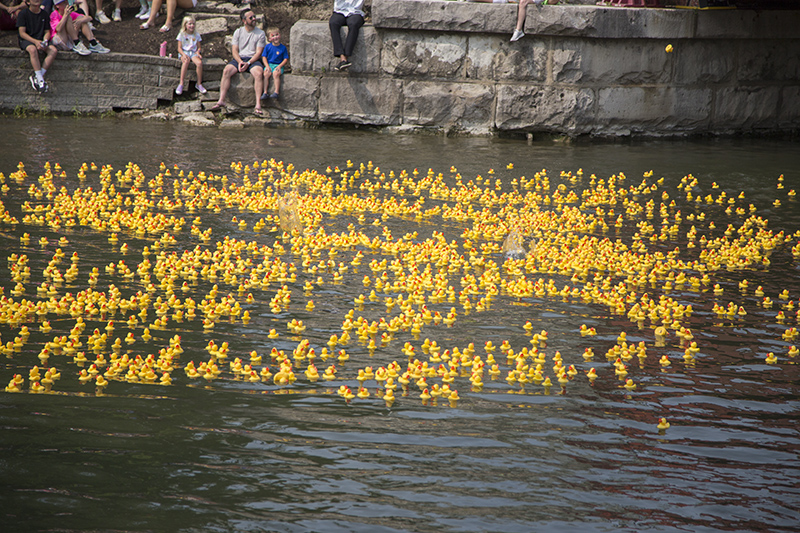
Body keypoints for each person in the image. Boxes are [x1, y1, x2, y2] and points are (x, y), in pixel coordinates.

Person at [210, 9, 265, 114]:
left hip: (253, 60)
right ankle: (221, 100)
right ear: (244, 21)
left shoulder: (260, 33)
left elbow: (258, 53)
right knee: (226, 70)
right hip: (239, 58)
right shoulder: (238, 32)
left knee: (258, 73)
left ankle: (258, 104)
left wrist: (248, 63)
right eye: (251, 17)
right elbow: (234, 50)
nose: (254, 19)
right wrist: (240, 62)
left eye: (254, 16)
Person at [17, 0, 57, 92]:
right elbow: (22, 33)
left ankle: (39, 77)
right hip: (27, 40)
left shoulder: (44, 14)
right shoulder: (23, 14)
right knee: (32, 49)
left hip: (40, 40)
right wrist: (35, 42)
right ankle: (40, 79)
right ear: (28, 2)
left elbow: (47, 31)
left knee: (53, 50)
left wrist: (45, 41)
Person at [329, 0, 364, 72]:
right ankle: (342, 57)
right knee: (333, 23)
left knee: (353, 24)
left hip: (356, 12)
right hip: (340, 11)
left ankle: (346, 56)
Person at [175, 15, 206, 95]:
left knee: (199, 63)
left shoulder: (196, 35)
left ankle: (199, 84)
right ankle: (181, 83)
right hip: (184, 52)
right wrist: (183, 54)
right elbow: (179, 48)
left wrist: (198, 52)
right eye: (189, 24)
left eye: (193, 24)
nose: (192, 26)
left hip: (193, 52)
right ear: (185, 25)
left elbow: (199, 47)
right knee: (185, 62)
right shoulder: (182, 34)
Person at [260, 26, 288, 100]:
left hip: (278, 65)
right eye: (273, 36)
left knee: (275, 74)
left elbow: (285, 59)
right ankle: (265, 92)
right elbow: (264, 57)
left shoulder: (283, 48)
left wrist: (280, 66)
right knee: (266, 74)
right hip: (269, 65)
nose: (275, 37)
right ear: (269, 39)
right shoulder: (268, 47)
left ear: (280, 35)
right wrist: (267, 66)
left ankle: (276, 92)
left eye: (277, 35)